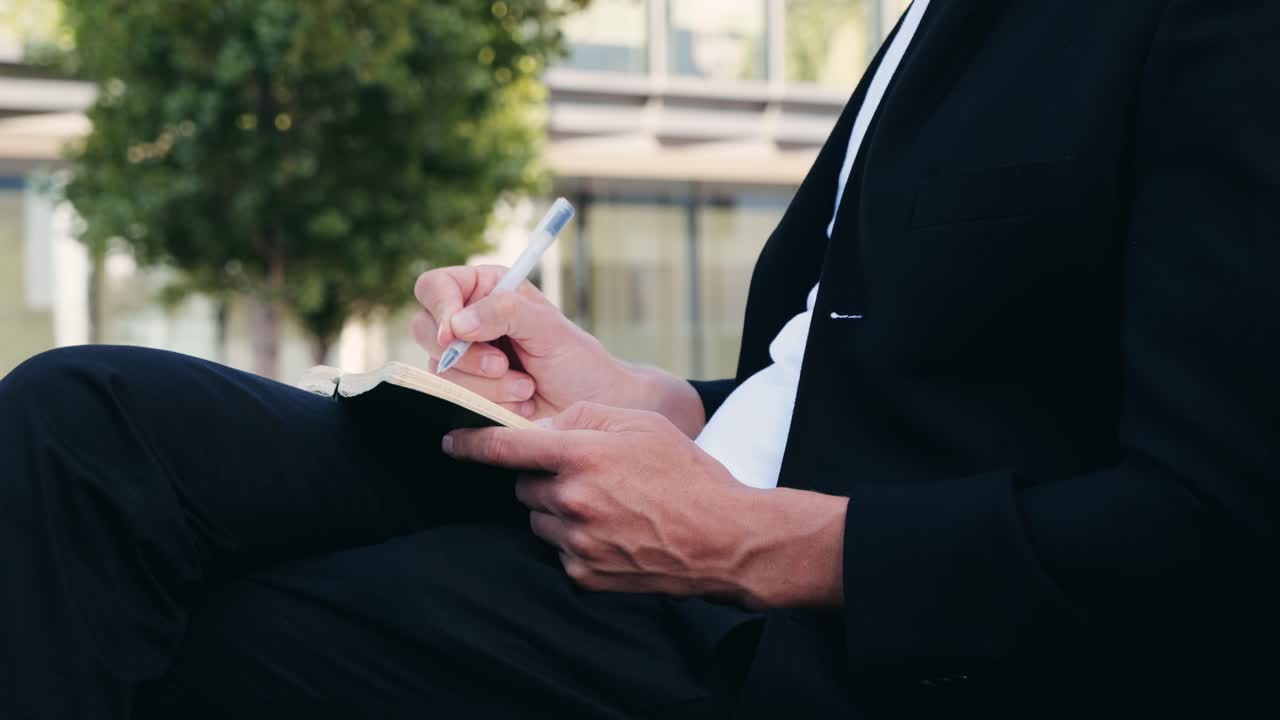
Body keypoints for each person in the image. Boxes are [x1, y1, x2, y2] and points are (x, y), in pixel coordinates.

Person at [2, 0, 1276, 717]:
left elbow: (1219, 533)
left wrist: (751, 543)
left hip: (831, 628)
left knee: (196, 643)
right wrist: (647, 401)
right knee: (79, 425)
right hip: (691, 486)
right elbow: (877, 382)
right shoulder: (930, 28)